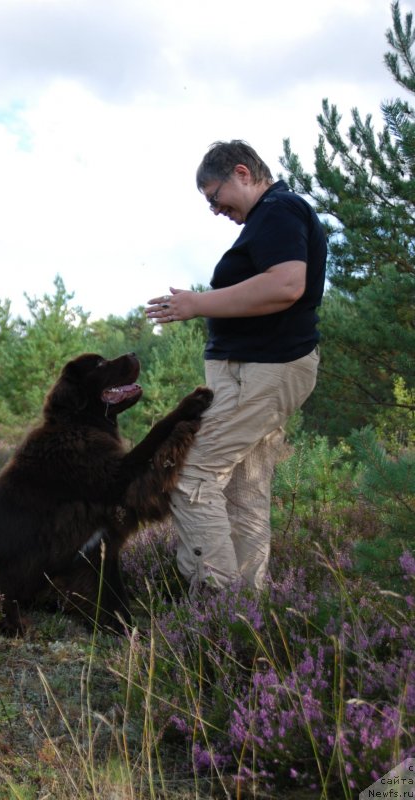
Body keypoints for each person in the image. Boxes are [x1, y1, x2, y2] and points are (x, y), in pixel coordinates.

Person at [145, 139, 327, 594]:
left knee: (191, 475)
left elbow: (286, 285)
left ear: (242, 173)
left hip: (263, 370)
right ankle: (246, 607)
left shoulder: (279, 210)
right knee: (245, 490)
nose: (215, 209)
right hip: (259, 371)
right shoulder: (270, 218)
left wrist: (197, 304)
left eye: (214, 196)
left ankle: (217, 601)